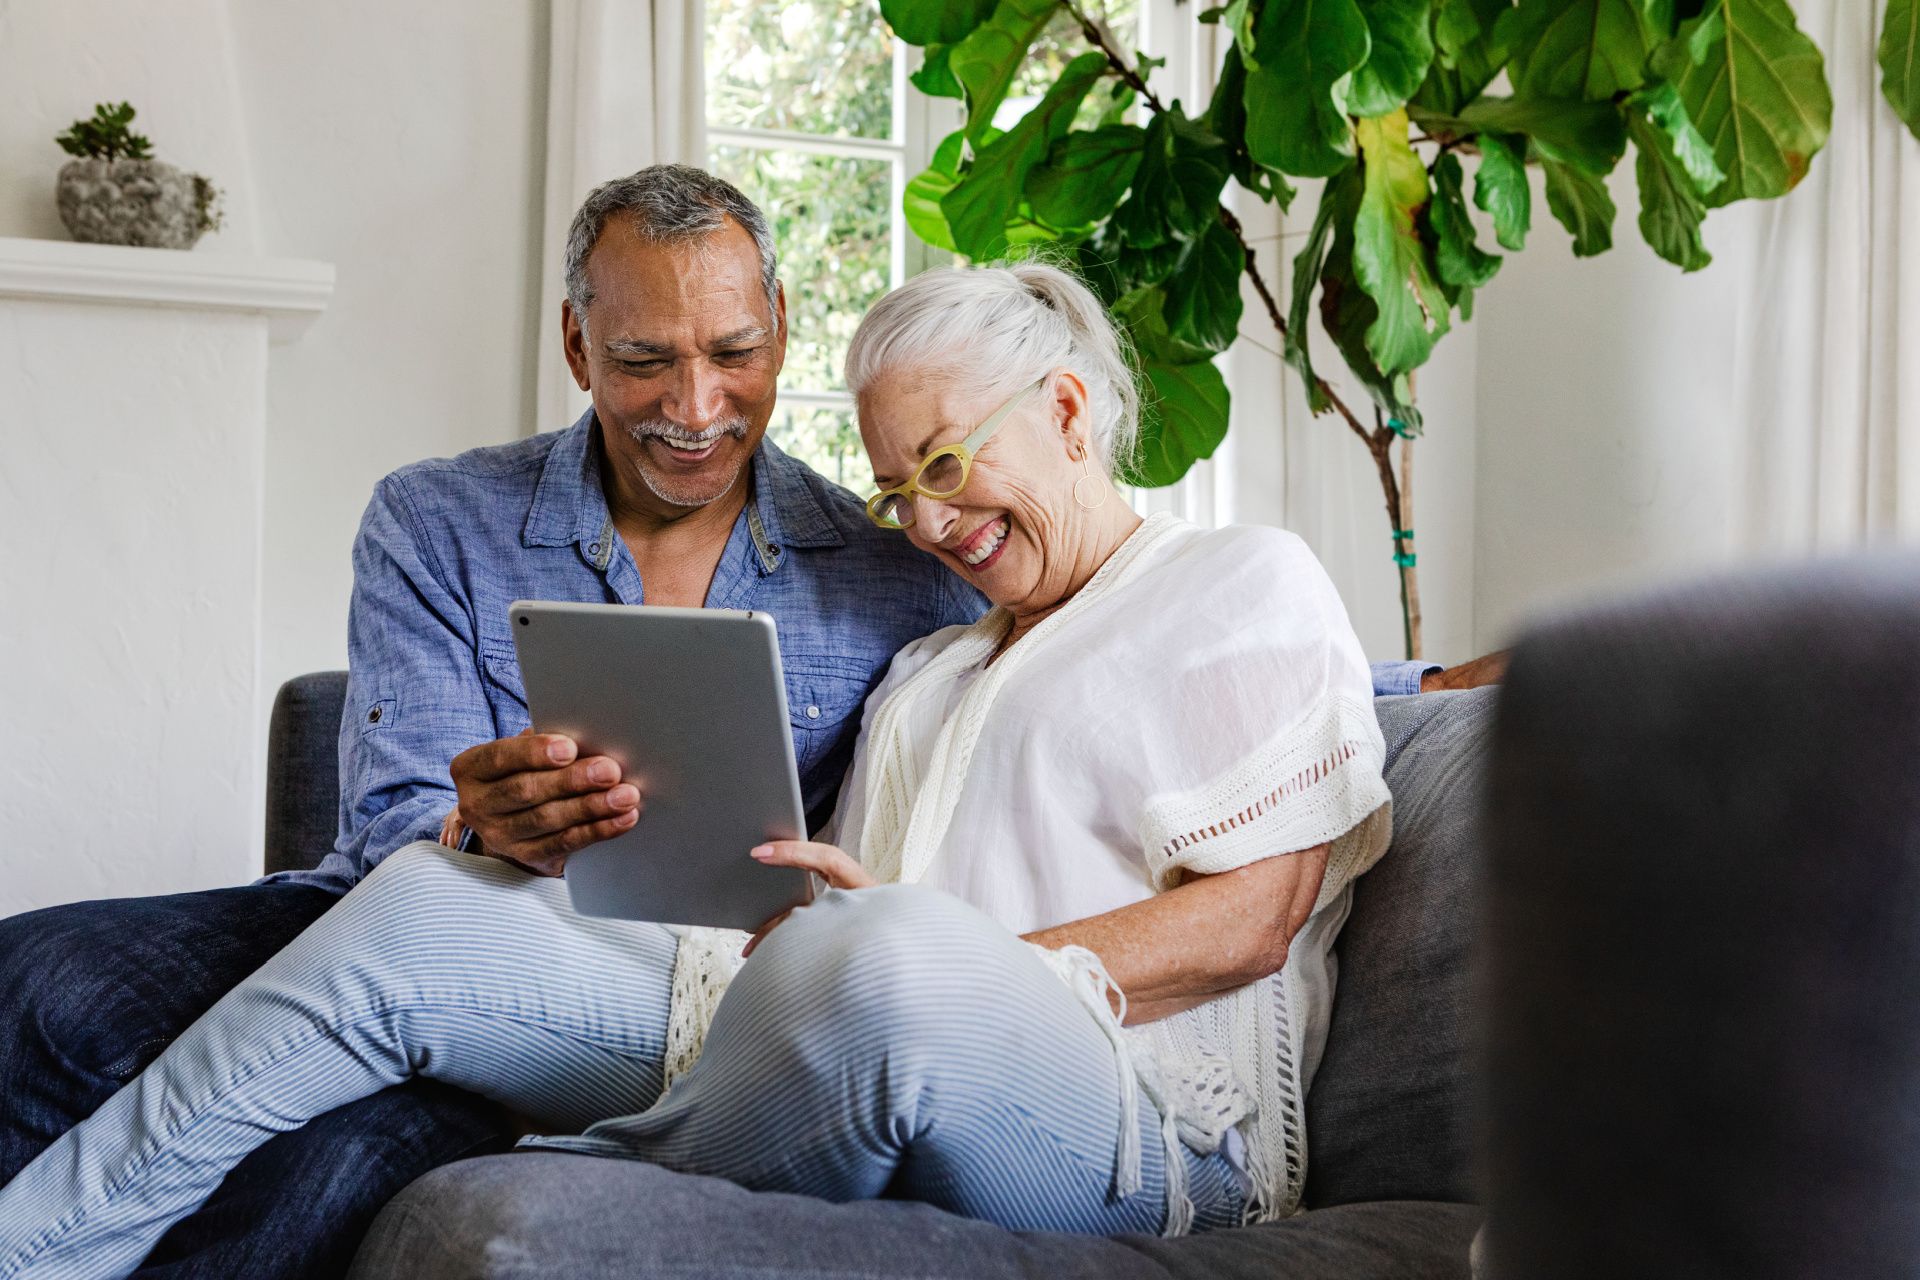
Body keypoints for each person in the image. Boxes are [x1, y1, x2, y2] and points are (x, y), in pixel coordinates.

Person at [0, 164, 1462, 1275]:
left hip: (1122, 1104)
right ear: (580, 351)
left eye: (950, 464)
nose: (932, 522)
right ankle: (38, 1248)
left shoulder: (1236, 580)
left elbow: (1252, 914)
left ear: (1072, 413)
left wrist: (947, 963)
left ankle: (597, 1158)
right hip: (806, 1005)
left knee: (886, 960)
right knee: (422, 906)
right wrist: (818, 956)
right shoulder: (945, 649)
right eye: (900, 489)